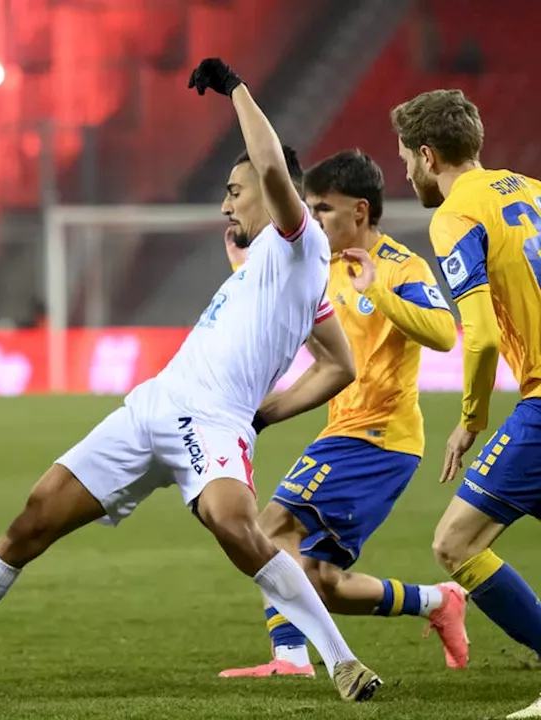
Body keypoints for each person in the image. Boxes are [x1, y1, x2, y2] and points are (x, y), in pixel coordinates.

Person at [0, 57, 381, 702]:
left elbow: (275, 166)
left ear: (269, 187)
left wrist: (235, 89)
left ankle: (341, 662)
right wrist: (272, 411)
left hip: (211, 420)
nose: (226, 201)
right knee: (33, 519)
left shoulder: (300, 239)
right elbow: (341, 364)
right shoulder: (279, 271)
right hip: (154, 408)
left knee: (233, 522)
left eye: (235, 189)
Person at [217, 149, 467, 679]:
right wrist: (248, 277)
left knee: (267, 528)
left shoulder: (402, 266)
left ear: (359, 211)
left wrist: (377, 289)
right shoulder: (322, 268)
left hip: (379, 437)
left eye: (322, 209)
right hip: (348, 432)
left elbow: (445, 334)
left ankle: (290, 658)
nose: (312, 218)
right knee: (318, 581)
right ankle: (436, 601)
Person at [388, 89, 541, 715]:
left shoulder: (455, 217)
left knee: (457, 544)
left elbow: (476, 337)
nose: (405, 172)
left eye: (404, 159)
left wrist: (471, 421)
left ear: (428, 156)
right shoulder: (532, 189)